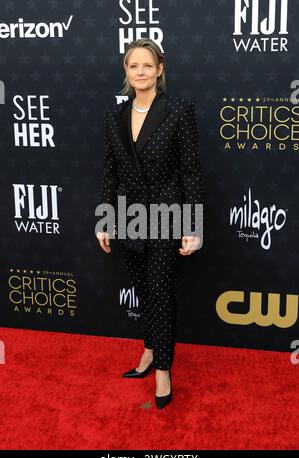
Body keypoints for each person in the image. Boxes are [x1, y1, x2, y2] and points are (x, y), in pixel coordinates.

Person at [96, 38, 204, 409]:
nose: (140, 72)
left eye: (147, 65)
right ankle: (148, 350)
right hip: (128, 217)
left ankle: (162, 371)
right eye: (132, 66)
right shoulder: (115, 115)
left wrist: (193, 225)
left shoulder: (177, 110)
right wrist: (104, 219)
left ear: (159, 69)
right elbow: (110, 171)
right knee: (143, 288)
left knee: (159, 292)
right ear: (126, 72)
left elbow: (191, 171)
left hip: (165, 214)